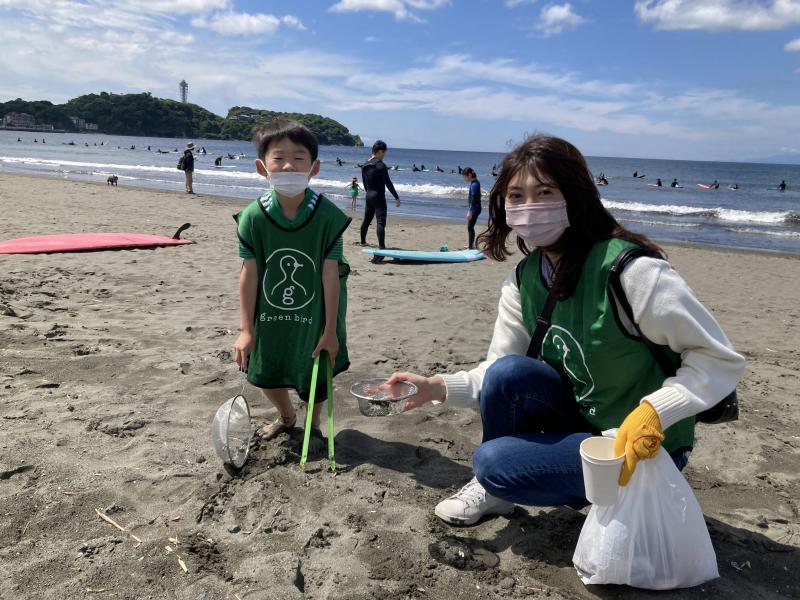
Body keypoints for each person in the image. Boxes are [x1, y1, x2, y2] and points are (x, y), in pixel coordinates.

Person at [386, 134, 745, 526]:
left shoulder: (631, 271)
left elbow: (718, 359)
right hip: (581, 424)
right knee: (509, 373)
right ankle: (497, 493)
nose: (529, 206)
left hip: (645, 440)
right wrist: (434, 387)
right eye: (516, 196)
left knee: (493, 463)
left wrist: (655, 412)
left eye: (544, 192)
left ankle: (614, 489)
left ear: (575, 196)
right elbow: (496, 371)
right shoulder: (524, 279)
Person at [233, 118, 351, 451]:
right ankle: (286, 417)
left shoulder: (327, 217)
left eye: (299, 158)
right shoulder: (253, 217)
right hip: (269, 310)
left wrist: (330, 330)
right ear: (262, 167)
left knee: (314, 368)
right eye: (279, 158)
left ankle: (313, 423)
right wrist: (246, 329)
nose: (289, 166)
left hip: (318, 309)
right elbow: (249, 273)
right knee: (265, 367)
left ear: (314, 168)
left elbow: (330, 273)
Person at [359, 140, 401, 260]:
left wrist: (369, 193)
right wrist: (396, 197)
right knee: (381, 222)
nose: (384, 156)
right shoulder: (380, 165)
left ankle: (363, 241)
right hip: (378, 196)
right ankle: (382, 248)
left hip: (369, 195)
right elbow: (388, 183)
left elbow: (365, 184)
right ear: (379, 152)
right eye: (384, 153)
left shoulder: (365, 165)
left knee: (367, 220)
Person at [463, 167, 481, 249]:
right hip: (475, 208)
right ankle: (470, 245)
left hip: (475, 209)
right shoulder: (475, 182)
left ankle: (470, 247)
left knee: (470, 227)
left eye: (465, 176)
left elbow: (473, 197)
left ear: (469, 175)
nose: (464, 178)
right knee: (470, 227)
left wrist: (470, 211)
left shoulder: (474, 184)